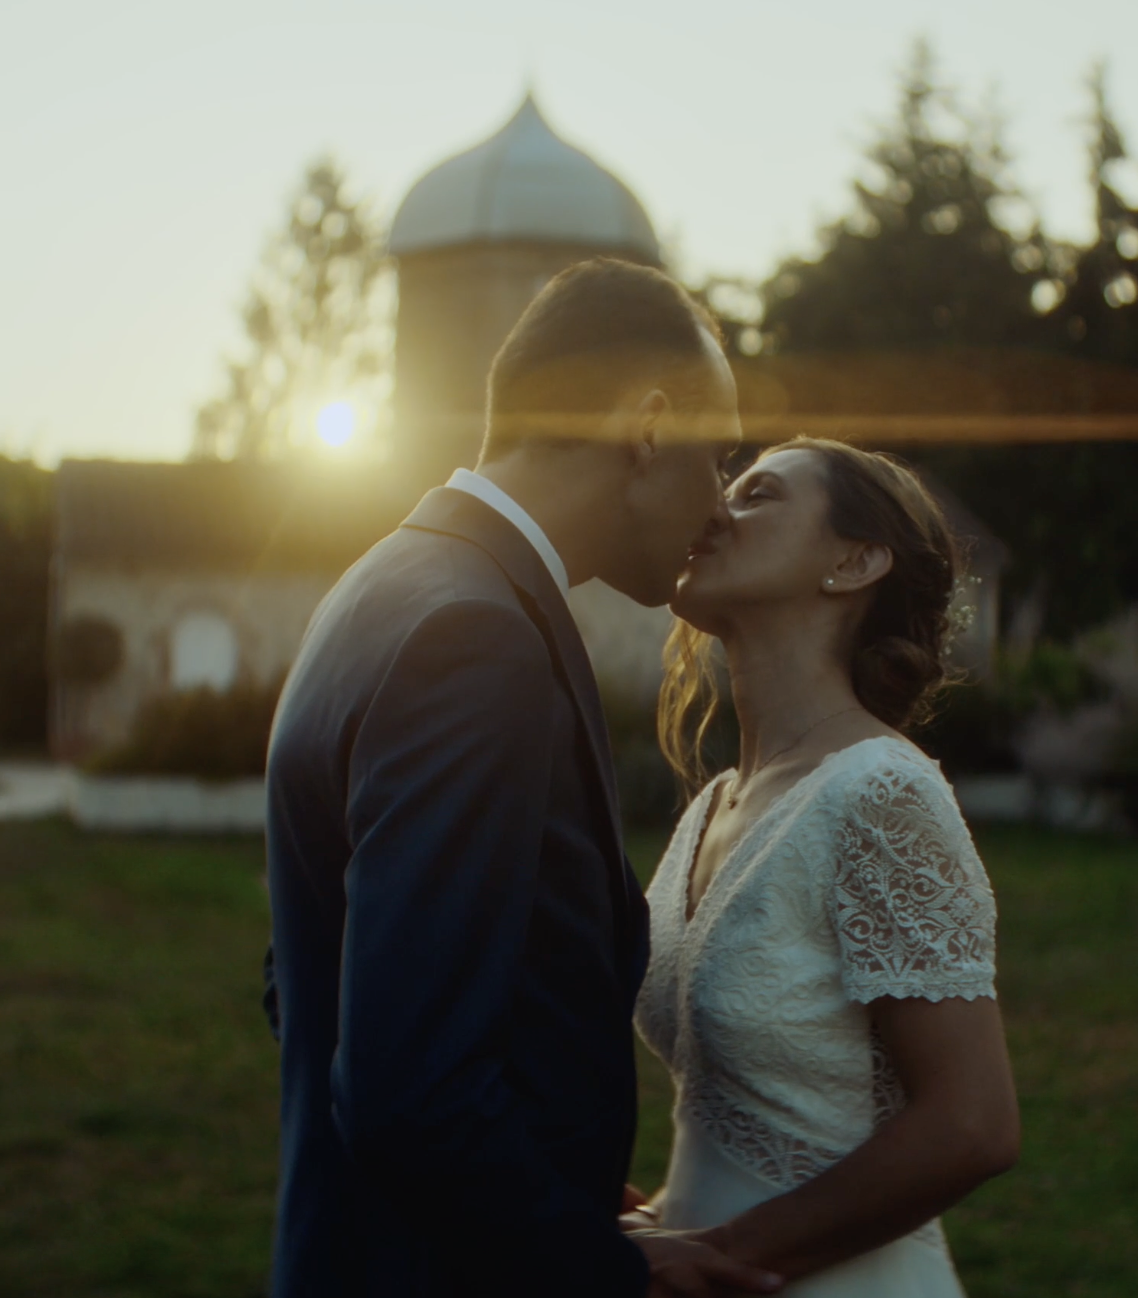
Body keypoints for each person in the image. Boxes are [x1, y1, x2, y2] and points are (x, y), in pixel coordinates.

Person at [260, 258, 781, 1297]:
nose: (719, 504)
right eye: (715, 455)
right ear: (644, 426)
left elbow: (309, 976)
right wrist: (610, 1267)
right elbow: (407, 1094)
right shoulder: (473, 636)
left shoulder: (386, 581)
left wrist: (551, 1171)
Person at [628, 438, 1021, 1296]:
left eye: (758, 494)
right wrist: (656, 1225)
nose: (715, 511)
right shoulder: (715, 804)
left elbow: (974, 1123)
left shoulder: (881, 793)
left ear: (853, 562)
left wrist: (726, 1253)